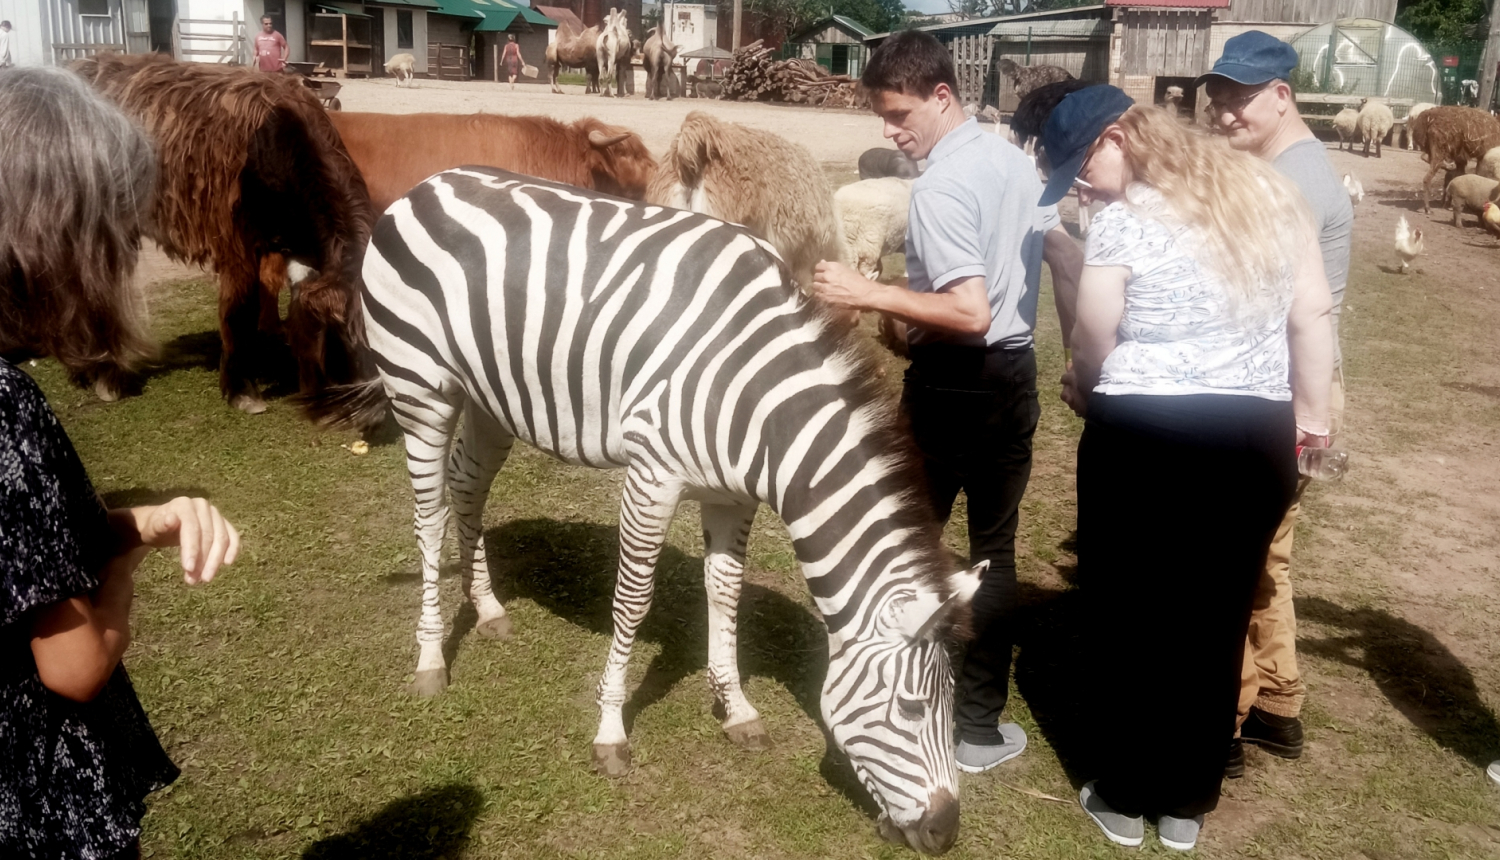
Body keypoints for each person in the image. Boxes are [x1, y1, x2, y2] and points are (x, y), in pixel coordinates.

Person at [1042, 86, 1332, 850]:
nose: (1079, 181)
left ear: (1118, 137)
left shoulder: (1124, 220)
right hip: (1253, 436)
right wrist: (1314, 419)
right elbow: (1311, 313)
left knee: (1129, 609)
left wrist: (1084, 383)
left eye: (1081, 162)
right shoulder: (1269, 194)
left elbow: (1096, 334)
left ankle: (1125, 788)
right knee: (1216, 613)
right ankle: (1186, 800)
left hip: (1148, 437)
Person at [810, 29, 1083, 774]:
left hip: (952, 384)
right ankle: (977, 725)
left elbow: (968, 311)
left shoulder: (937, 186)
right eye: (882, 117)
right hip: (1013, 380)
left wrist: (865, 292)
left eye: (900, 115)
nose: (891, 131)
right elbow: (1062, 256)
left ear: (942, 95)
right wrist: (1085, 352)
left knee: (903, 547)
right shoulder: (1013, 162)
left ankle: (888, 698)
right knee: (993, 551)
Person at [0, 67, 242, 859]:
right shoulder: (7, 411)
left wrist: (143, 520)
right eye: (116, 238)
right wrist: (124, 568)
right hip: (38, 808)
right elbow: (74, 664)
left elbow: (20, 555)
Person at [1197, 30, 1355, 779]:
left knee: (1236, 556)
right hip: (1295, 382)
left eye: (1241, 99)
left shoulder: (1290, 183)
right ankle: (1279, 705)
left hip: (1284, 385)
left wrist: (1305, 414)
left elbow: (1295, 309)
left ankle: (1223, 719)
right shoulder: (1293, 165)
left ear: (1282, 94)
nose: (1225, 113)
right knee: (1267, 556)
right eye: (1219, 98)